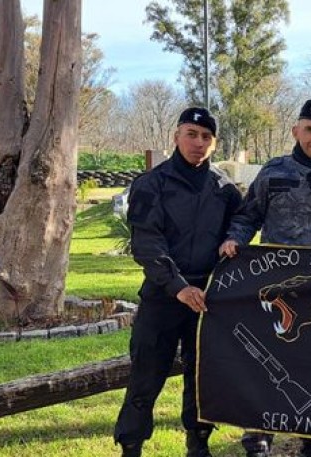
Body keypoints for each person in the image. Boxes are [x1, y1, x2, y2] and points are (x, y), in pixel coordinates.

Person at [219, 99, 311, 457]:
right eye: (310, 129)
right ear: (295, 131)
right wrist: (235, 239)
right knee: (267, 363)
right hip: (276, 288)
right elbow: (247, 216)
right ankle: (258, 438)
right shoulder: (272, 173)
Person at [114, 107, 242, 457]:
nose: (198, 143)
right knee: (145, 377)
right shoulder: (150, 184)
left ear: (214, 143)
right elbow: (147, 243)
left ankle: (198, 443)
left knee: (201, 378)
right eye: (191, 134)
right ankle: (131, 445)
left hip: (207, 301)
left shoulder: (225, 189)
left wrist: (234, 243)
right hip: (163, 297)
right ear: (176, 135)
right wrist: (178, 287)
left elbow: (240, 228)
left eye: (206, 137)